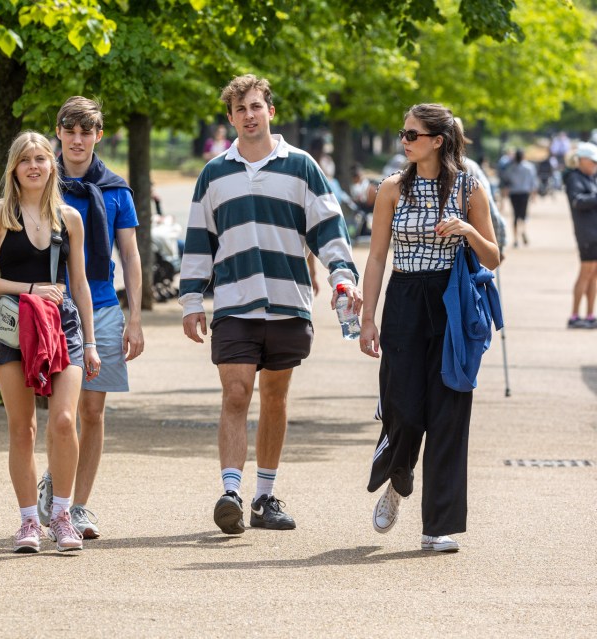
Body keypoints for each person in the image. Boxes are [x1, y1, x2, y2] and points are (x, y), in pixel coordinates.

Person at [179, 74, 361, 535]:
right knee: (236, 393)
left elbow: (328, 227)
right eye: (240, 110)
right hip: (235, 303)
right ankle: (231, 493)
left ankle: (264, 496)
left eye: (256, 107)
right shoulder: (214, 172)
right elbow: (200, 238)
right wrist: (190, 298)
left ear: (270, 112)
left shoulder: (301, 167)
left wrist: (342, 275)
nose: (249, 115)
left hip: (287, 301)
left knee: (275, 398)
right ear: (230, 118)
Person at [360, 104, 499, 553]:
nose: (405, 139)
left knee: (448, 414)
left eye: (413, 134)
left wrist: (468, 231)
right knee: (404, 407)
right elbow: (378, 256)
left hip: (452, 303)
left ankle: (437, 526)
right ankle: (398, 482)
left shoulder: (469, 188)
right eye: (403, 132)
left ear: (437, 140)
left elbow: (494, 257)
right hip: (403, 300)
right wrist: (367, 318)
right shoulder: (391, 189)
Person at [0, 131, 100, 553]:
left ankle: (61, 515)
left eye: (41, 159)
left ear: (52, 165)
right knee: (23, 429)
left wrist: (94, 341)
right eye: (25, 159)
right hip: (15, 327)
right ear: (13, 167)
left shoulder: (70, 218)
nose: (33, 166)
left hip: (63, 327)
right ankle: (29, 520)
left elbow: (79, 284)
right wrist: (30, 287)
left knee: (64, 421)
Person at [36, 97, 144, 539]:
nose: (77, 140)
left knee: (93, 411)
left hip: (101, 307)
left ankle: (78, 505)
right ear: (58, 132)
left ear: (99, 135)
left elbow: (131, 255)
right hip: (50, 309)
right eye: (70, 130)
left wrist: (134, 316)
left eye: (87, 132)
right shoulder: (40, 180)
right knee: (59, 410)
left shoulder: (116, 190)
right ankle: (53, 482)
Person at [455, 118, 508, 254]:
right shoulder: (470, 167)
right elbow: (490, 209)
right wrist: (500, 244)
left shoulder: (413, 170)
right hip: (465, 252)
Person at [564, 142, 597, 329]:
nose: (595, 165)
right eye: (592, 161)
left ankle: (590, 314)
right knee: (585, 273)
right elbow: (578, 201)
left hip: (595, 233)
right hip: (587, 234)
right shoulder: (574, 178)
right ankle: (575, 315)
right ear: (582, 160)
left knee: (594, 276)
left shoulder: (591, 178)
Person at [504, 148, 537, 247]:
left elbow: (507, 180)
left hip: (514, 193)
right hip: (524, 193)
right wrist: (534, 194)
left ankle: (515, 239)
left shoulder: (510, 167)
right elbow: (533, 181)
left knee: (515, 215)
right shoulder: (529, 167)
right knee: (523, 214)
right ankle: (523, 230)